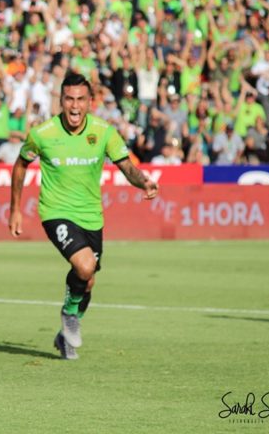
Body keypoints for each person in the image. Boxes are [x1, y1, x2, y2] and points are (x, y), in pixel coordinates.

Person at [8, 73, 158, 360]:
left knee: (87, 280)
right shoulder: (42, 133)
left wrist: (144, 182)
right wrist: (15, 209)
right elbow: (20, 165)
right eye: (69, 99)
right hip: (56, 212)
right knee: (85, 265)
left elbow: (127, 167)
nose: (74, 106)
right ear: (61, 101)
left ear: (90, 102)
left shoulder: (104, 132)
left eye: (80, 99)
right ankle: (69, 314)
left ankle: (65, 336)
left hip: (92, 217)